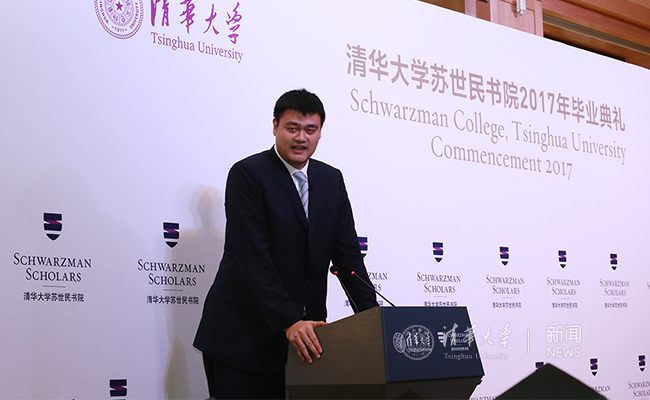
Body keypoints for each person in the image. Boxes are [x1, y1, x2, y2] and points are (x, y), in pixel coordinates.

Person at [193, 89, 379, 399]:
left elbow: (348, 258)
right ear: (275, 126)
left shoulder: (331, 180)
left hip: (306, 343)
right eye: (292, 128)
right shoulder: (248, 174)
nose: (301, 138)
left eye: (310, 130)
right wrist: (289, 320)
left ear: (320, 132)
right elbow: (254, 258)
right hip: (242, 340)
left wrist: (374, 322)